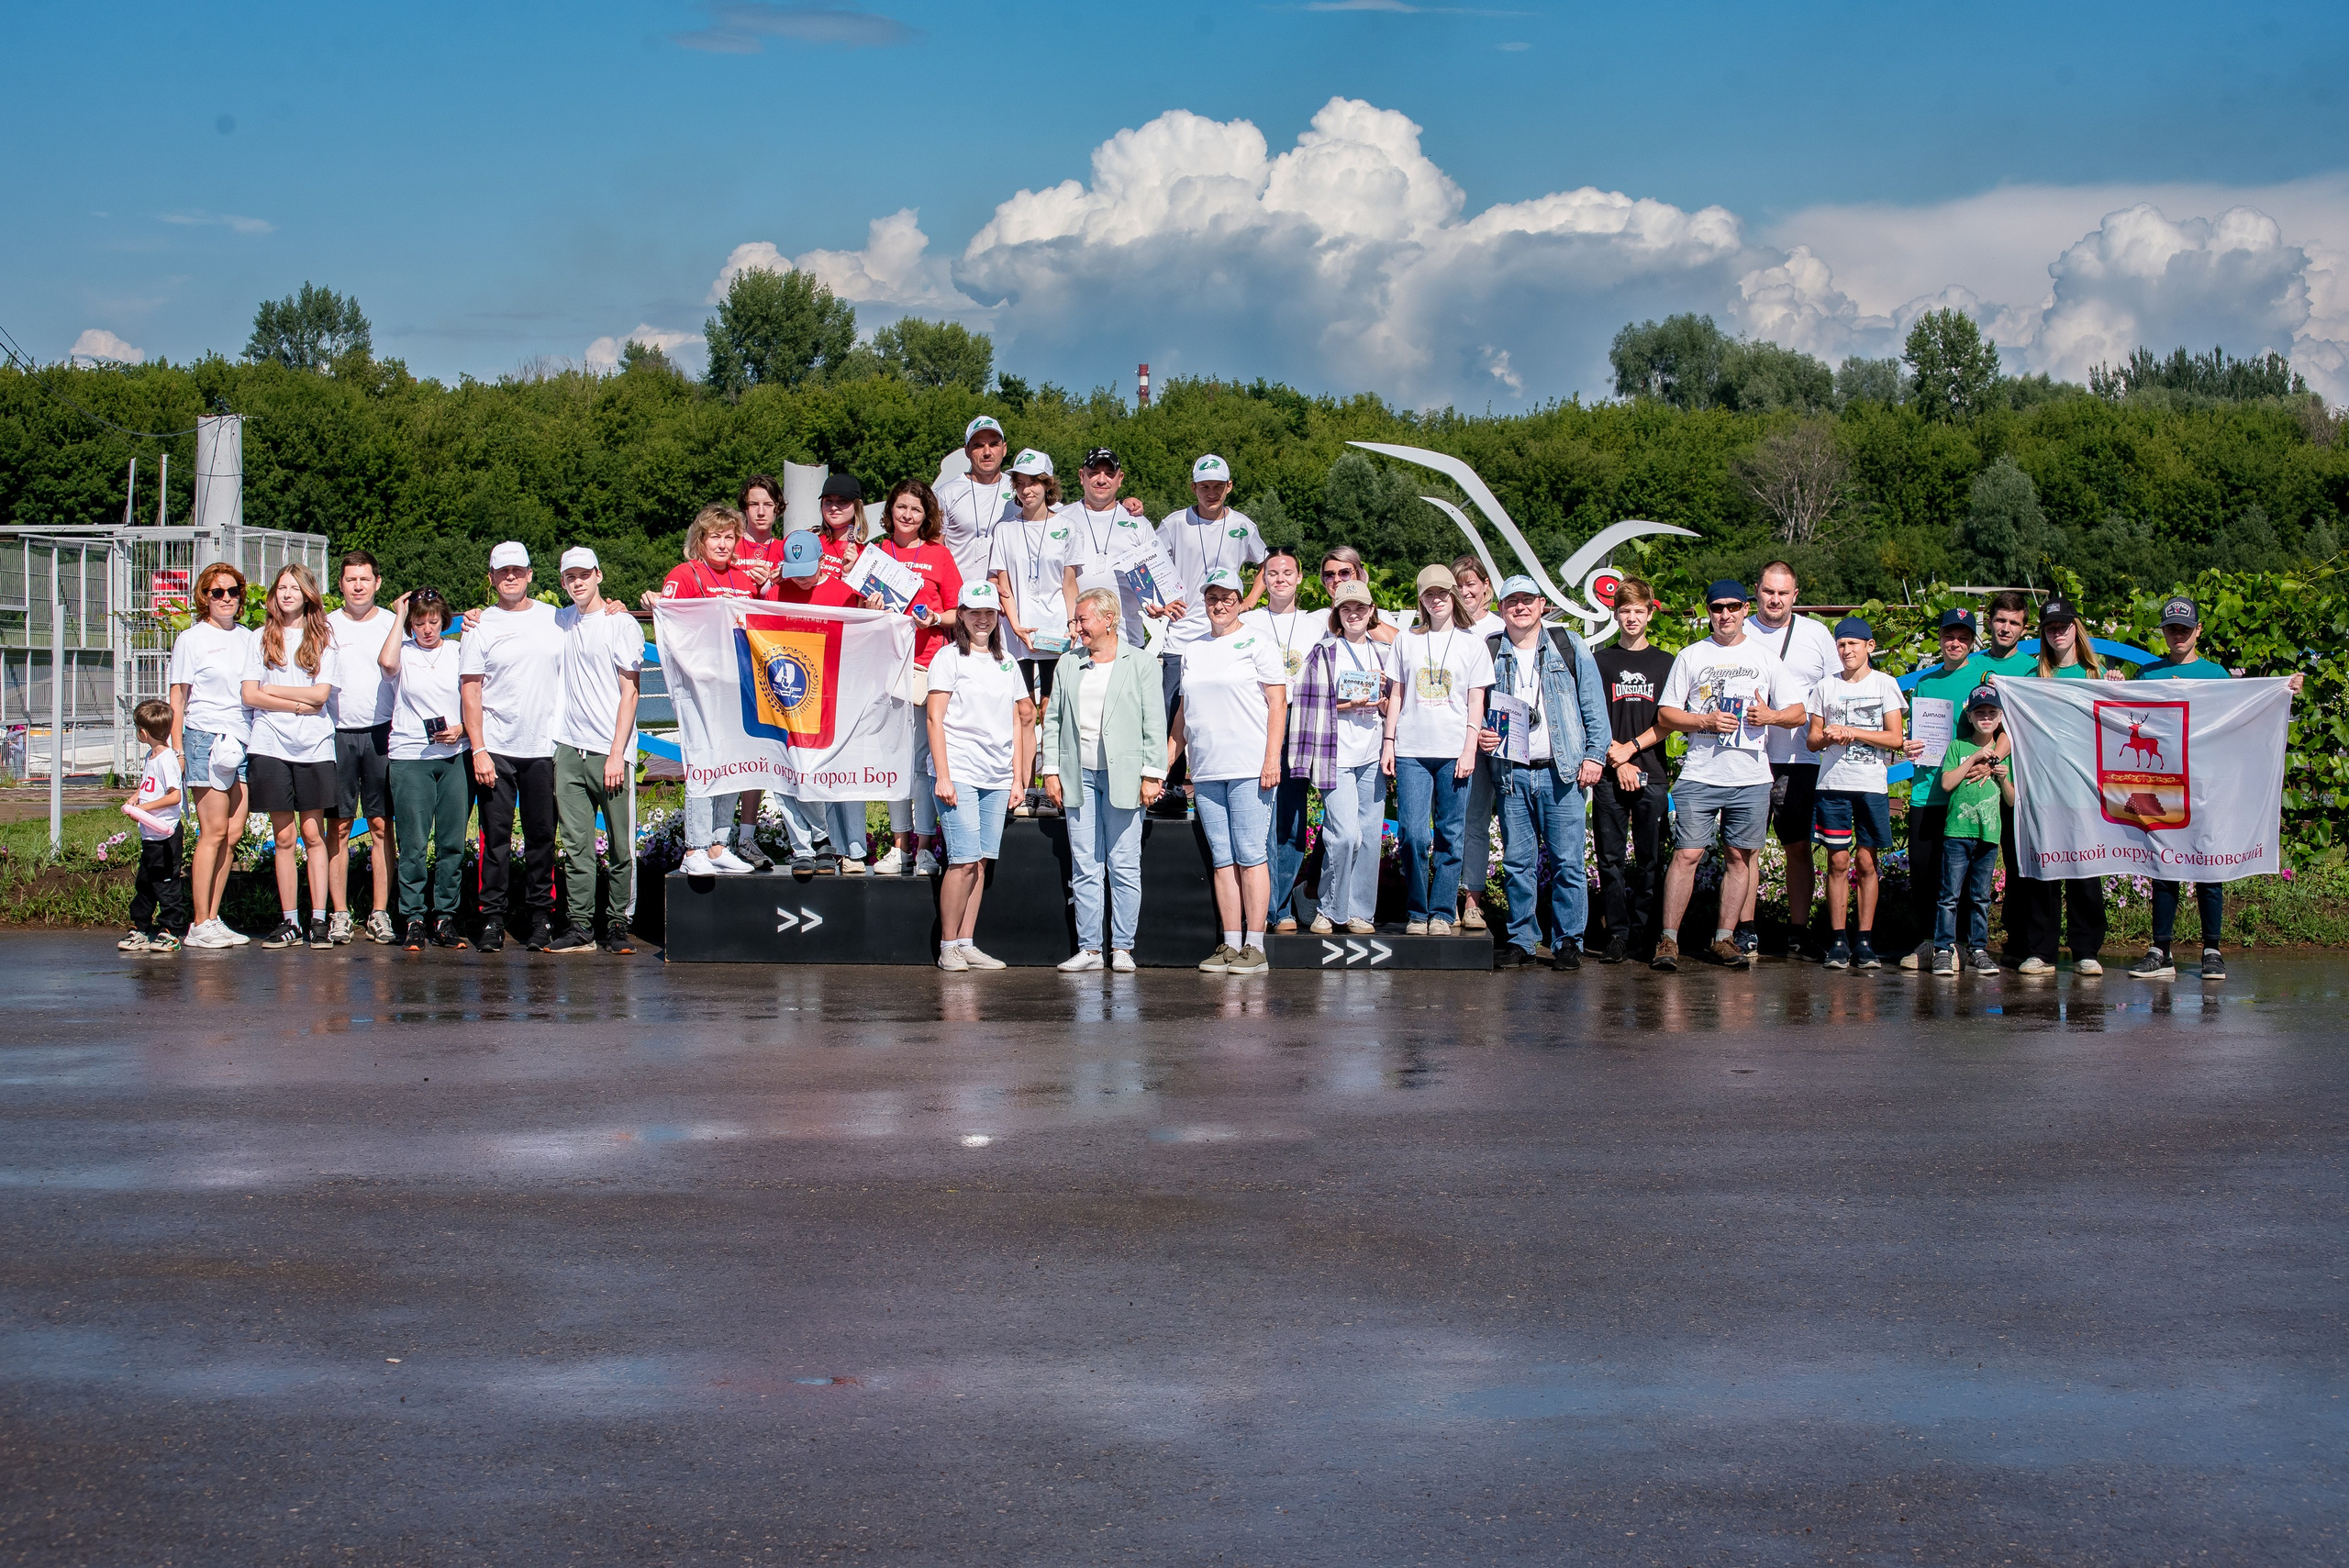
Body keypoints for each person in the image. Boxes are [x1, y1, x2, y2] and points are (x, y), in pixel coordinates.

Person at [2127, 595, 2304, 980]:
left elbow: (2243, 719)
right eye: (2171, 628)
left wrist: (2285, 689)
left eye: (2184, 629)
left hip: (2207, 785)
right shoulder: (2146, 675)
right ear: (2164, 632)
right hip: (2163, 785)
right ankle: (2161, 949)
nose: (2178, 635)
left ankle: (2212, 949)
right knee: (2163, 865)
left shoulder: (2217, 674)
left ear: (2198, 631)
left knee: (2209, 867)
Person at [1652, 580, 1807, 973]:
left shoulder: (1765, 658)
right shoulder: (1690, 656)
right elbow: (1666, 715)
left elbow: (1798, 713)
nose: (1725, 614)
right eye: (1717, 607)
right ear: (1709, 612)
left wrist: (1769, 716)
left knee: (1741, 857)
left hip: (1751, 776)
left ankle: (1724, 939)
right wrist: (1703, 719)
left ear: (1744, 609)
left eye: (1733, 607)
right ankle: (1668, 939)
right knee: (1687, 854)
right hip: (1701, 772)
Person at [1477, 576, 1608, 971]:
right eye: (1511, 601)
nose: (1520, 607)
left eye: (1528, 600)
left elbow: (1594, 708)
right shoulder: (1492, 651)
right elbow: (1476, 708)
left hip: (1561, 770)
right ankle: (1522, 939)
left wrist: (1595, 756)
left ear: (1542, 605)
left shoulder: (1569, 646)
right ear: (1501, 608)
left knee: (1568, 862)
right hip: (1512, 772)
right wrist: (1482, 733)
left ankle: (1569, 940)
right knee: (1518, 862)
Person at [1041, 586, 1168, 973]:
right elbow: (1054, 720)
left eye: (1083, 619)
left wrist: (1152, 775)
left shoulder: (1142, 663)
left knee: (1124, 863)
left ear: (1108, 619)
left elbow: (1154, 723)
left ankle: (1123, 948)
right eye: (1077, 620)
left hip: (1126, 775)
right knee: (1085, 864)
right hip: (1078, 775)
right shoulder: (1067, 664)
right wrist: (1050, 770)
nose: (1077, 627)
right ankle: (1091, 949)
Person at [1172, 567, 1288, 973]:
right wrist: (1172, 752)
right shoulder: (1193, 648)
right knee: (1223, 859)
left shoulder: (1258, 641)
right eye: (1212, 598)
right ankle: (1230, 944)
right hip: (1205, 769)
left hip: (1249, 765)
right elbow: (1185, 709)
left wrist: (1272, 758)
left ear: (1240, 600)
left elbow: (1278, 703)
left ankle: (1256, 948)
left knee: (1251, 855)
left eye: (1227, 598)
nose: (1219, 605)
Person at [647, 497, 774, 871]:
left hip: (739, 685)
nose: (722, 544)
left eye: (730, 537)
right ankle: (695, 849)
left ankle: (720, 844)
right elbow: (671, 629)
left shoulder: (743, 580)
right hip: (699, 687)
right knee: (703, 763)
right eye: (714, 537)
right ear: (700, 540)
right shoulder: (684, 575)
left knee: (733, 762)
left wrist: (765, 593)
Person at [462, 540, 569, 949]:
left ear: (529, 575)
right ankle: (491, 917)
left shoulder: (556, 619)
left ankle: (541, 916)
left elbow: (594, 621)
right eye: (502, 571)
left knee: (543, 836)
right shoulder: (479, 625)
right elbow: (471, 692)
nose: (510, 577)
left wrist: (612, 606)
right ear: (491, 578)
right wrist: (479, 749)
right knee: (495, 838)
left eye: (517, 570)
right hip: (498, 749)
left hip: (544, 747)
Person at [774, 473, 877, 871]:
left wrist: (872, 608)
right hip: (792, 691)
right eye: (827, 499)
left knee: (843, 768)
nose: (799, 575)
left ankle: (851, 847)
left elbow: (870, 622)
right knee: (786, 765)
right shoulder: (776, 590)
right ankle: (811, 845)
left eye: (843, 500)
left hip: (838, 686)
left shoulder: (846, 579)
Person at [926, 581, 1030, 971]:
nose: (982, 619)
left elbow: (1020, 720)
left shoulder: (1007, 663)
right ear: (962, 616)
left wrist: (1018, 779)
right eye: (974, 612)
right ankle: (948, 945)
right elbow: (934, 719)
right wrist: (943, 775)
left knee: (982, 861)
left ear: (998, 617)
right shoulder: (949, 658)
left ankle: (967, 942)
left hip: (997, 775)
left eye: (989, 612)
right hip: (961, 771)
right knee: (963, 860)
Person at [1386, 564, 1494, 937]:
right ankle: (1418, 911)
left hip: (1454, 751)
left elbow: (1475, 701)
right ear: (1421, 599)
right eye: (1429, 594)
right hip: (1411, 749)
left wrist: (1469, 749)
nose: (1437, 600)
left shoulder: (1472, 643)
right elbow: (1397, 694)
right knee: (1413, 835)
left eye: (1443, 593)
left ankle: (1443, 912)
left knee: (1451, 834)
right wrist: (1389, 742)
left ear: (1453, 596)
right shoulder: (1405, 640)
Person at [1739, 562, 1839, 958]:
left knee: (1798, 846)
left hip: (1800, 758)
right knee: (1745, 848)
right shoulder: (1738, 630)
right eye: (1768, 591)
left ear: (1795, 595)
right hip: (1747, 754)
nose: (1775, 599)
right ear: (1757, 592)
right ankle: (1743, 929)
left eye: (1783, 593)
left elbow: (1835, 689)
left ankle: (1798, 931)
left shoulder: (1816, 634)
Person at [548, 548, 645, 954]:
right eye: (569, 577)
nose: (577, 583)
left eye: (583, 575)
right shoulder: (561, 619)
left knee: (621, 845)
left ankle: (619, 922)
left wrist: (616, 752)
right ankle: (580, 924)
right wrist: (478, 617)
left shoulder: (621, 624)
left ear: (599, 575)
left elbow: (631, 692)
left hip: (610, 750)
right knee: (576, 845)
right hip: (569, 748)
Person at [241, 563, 340, 950]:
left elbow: (321, 696)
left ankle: (318, 920)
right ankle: (289, 922)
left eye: (294, 589)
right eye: (281, 588)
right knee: (284, 836)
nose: (286, 594)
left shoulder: (324, 638)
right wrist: (297, 703)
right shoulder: (259, 637)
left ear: (307, 594)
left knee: (313, 833)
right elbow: (250, 695)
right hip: (269, 744)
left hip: (315, 745)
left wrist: (276, 694)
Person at [1288, 581, 1394, 935]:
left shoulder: (1382, 654)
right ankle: (1330, 908)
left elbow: (1395, 703)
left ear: (1371, 612)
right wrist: (1350, 704)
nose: (1354, 614)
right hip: (1335, 754)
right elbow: (1307, 704)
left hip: (1372, 754)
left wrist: (1382, 702)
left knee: (1368, 836)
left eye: (1360, 608)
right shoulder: (1324, 652)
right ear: (1337, 613)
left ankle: (1360, 912)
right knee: (1344, 834)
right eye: (1346, 609)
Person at [2013, 595, 2110, 975]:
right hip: (2043, 788)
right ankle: (2042, 951)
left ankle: (2087, 951)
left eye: (2063, 626)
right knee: (2045, 872)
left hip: (2085, 790)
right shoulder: (2032, 681)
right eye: (2050, 628)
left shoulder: (2096, 677)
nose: (2057, 632)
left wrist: (2116, 685)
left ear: (2076, 629)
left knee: (2086, 873)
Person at [874, 479, 963, 876]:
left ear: (926, 515)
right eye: (901, 507)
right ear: (890, 510)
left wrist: (932, 617)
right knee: (895, 758)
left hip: (929, 664)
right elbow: (862, 611)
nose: (908, 515)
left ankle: (926, 846)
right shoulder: (876, 552)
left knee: (926, 760)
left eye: (916, 509)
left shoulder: (939, 555)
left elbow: (960, 610)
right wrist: (869, 604)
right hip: (888, 666)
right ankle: (899, 846)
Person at [1898, 609, 1996, 971]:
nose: (1955, 643)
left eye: (1963, 637)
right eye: (1949, 636)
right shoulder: (1926, 683)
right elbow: (1918, 736)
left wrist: (1990, 760)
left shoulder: (1985, 677)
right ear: (1939, 639)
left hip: (1965, 792)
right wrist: (1909, 745)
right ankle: (1931, 942)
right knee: (1924, 873)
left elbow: (1997, 726)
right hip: (1927, 789)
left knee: (1966, 877)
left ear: (1972, 641)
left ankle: (1967, 945)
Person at [1805, 617, 1905, 969]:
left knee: (1866, 862)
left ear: (1869, 647)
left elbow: (1895, 738)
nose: (1846, 651)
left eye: (1853, 644)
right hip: (1832, 785)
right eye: (1841, 645)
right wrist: (1830, 736)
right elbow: (1812, 740)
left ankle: (1864, 939)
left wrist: (1855, 732)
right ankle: (1837, 939)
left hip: (1870, 785)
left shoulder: (1885, 684)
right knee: (1837, 861)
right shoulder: (1825, 687)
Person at [727, 473, 813, 874]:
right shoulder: (728, 542)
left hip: (777, 664)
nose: (760, 511)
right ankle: (728, 839)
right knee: (737, 751)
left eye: (767, 504)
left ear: (778, 509)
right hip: (733, 658)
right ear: (744, 508)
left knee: (774, 750)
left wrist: (772, 587)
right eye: (753, 504)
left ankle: (780, 839)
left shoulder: (786, 549)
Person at [377, 587, 471, 950]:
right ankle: (413, 917)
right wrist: (399, 614)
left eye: (433, 621)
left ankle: (445, 917)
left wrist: (463, 728)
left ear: (444, 620)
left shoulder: (458, 651)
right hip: (410, 756)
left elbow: (478, 694)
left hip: (453, 755)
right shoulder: (402, 652)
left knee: (451, 843)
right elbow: (386, 665)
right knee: (413, 844)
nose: (427, 629)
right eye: (419, 622)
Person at [169, 562, 254, 949]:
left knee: (233, 833)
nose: (225, 599)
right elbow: (179, 697)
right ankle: (198, 922)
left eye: (232, 591)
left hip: (244, 738)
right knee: (214, 831)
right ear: (204, 597)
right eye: (216, 592)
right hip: (206, 736)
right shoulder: (192, 639)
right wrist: (178, 747)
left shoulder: (250, 638)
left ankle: (213, 917)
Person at [1592, 576, 1672, 963]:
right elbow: (1589, 715)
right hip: (1608, 773)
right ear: (1615, 613)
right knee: (1609, 859)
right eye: (1625, 610)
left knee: (1649, 859)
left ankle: (1645, 934)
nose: (1632, 617)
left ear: (1649, 614)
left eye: (1639, 610)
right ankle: (1617, 934)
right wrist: (1614, 756)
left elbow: (1670, 720)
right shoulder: (1601, 662)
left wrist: (1631, 752)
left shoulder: (1665, 663)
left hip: (1651, 772)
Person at [1238, 548, 1314, 930]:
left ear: (1300, 578)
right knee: (1262, 821)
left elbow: (1366, 624)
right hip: (1261, 731)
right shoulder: (1247, 622)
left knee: (1292, 820)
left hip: (1301, 733)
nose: (1280, 579)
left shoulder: (1317, 622)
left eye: (1287, 572)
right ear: (1263, 580)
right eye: (1272, 573)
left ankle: (1281, 905)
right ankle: (1265, 911)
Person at [323, 550, 396, 945]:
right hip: (337, 734)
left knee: (383, 826)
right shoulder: (326, 625)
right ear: (341, 584)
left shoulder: (391, 623)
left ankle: (380, 913)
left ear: (377, 582)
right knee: (339, 827)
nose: (357, 586)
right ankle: (339, 914)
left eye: (364, 579)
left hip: (382, 735)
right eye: (351, 579)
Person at [993, 449, 1071, 808]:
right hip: (1017, 633)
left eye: (1033, 483)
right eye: (1020, 484)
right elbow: (1002, 583)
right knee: (1023, 711)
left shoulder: (1066, 526)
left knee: (1051, 708)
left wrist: (1073, 623)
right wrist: (1015, 625)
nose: (1026, 490)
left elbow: (1069, 581)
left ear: (1048, 484)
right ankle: (1022, 787)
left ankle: (1050, 783)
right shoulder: (1005, 530)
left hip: (1057, 633)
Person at [1932, 685, 2015, 977]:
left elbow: (2013, 800)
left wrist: (2003, 777)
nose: (1986, 717)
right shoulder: (1958, 746)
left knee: (1981, 897)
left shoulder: (2007, 755)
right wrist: (1974, 758)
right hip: (1957, 831)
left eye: (1992, 712)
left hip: (1988, 835)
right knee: (1949, 896)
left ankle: (1978, 950)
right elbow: (1946, 784)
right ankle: (1944, 949)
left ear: (2001, 717)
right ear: (1969, 715)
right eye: (1980, 712)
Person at [1974, 590, 2036, 957]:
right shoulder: (1975, 665)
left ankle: (2020, 939)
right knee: (1973, 860)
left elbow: (2023, 727)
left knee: (2017, 863)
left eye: (2014, 622)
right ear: (1990, 622)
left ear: (2023, 628)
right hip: (1976, 779)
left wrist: (1994, 758)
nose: (2006, 628)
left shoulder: (2032, 670)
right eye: (2000, 620)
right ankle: (1968, 940)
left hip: (2013, 779)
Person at [1056, 449, 1162, 656]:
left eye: (1109, 474)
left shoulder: (1138, 523)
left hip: (1125, 639)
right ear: (1081, 476)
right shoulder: (1060, 518)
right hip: (1072, 639)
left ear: (1120, 478)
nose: (1102, 480)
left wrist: (1160, 602)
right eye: (1094, 472)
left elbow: (1159, 578)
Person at [1449, 554, 1505, 933]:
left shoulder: (1501, 628)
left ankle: (1473, 901)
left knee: (1477, 822)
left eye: (1473, 583)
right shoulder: (1444, 625)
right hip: (1450, 736)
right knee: (1450, 822)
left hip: (1492, 740)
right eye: (1460, 585)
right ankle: (1445, 899)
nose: (1467, 591)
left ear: (1486, 586)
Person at [117, 700, 185, 954]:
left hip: (165, 835)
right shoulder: (151, 756)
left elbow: (174, 796)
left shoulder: (167, 759)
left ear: (143, 733)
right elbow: (148, 784)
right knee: (145, 882)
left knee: (165, 883)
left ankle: (170, 930)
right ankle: (142, 928)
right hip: (149, 835)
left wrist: (144, 809)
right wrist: (136, 798)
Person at [938, 416, 1017, 587]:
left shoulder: (1020, 490)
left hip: (1008, 600)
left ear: (1004, 449)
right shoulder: (946, 493)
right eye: (978, 446)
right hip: (961, 599)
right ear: (966, 451)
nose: (987, 452)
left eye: (994, 444)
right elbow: (934, 550)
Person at [1319, 548, 1397, 642]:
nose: (1336, 579)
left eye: (1344, 573)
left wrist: (1367, 616)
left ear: (1359, 574)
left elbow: (1397, 645)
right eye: (1329, 575)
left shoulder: (1381, 616)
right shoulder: (1316, 619)